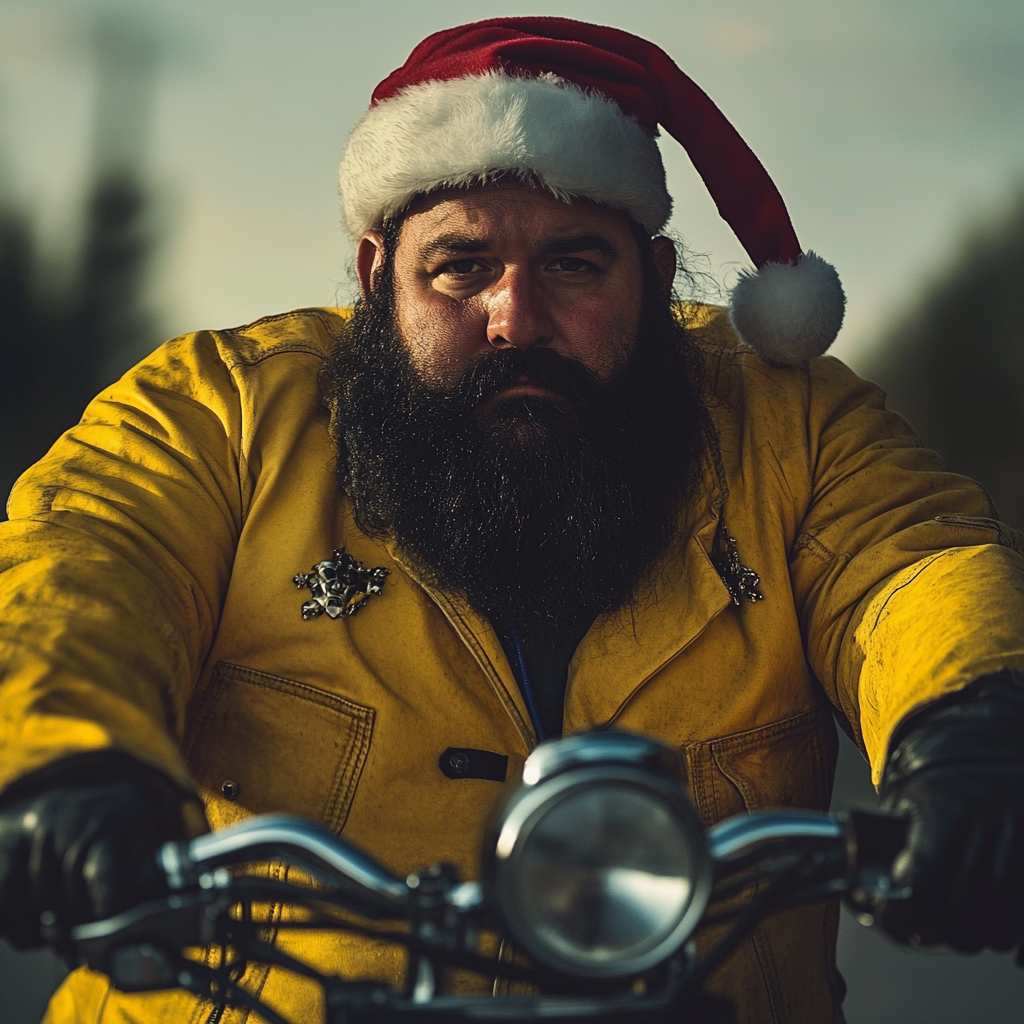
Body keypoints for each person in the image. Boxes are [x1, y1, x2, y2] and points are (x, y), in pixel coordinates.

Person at [2, 17, 1023, 1024]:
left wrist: (974, 733)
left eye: (576, 264)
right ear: (374, 282)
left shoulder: (791, 426)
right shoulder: (217, 414)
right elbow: (81, 571)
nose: (515, 317)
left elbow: (913, 566)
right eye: (459, 266)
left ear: (657, 286)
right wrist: (64, 765)